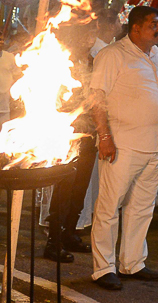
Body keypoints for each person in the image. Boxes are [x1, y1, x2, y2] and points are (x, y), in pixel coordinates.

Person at [88, 6, 158, 290]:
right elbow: (96, 98)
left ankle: (132, 262)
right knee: (109, 207)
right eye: (154, 24)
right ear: (135, 28)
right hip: (122, 144)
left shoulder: (157, 55)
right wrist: (104, 137)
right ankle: (103, 269)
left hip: (153, 145)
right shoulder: (112, 55)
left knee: (141, 207)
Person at [45, 20, 97, 263]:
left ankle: (69, 233)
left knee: (80, 188)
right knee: (65, 187)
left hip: (90, 133)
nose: (92, 37)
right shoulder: (62, 63)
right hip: (69, 133)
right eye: (89, 32)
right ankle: (53, 241)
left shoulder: (94, 62)